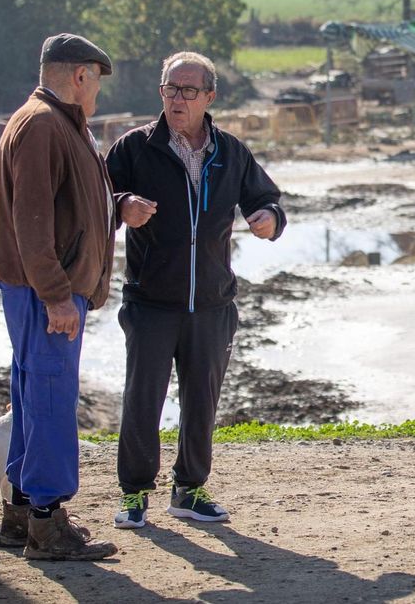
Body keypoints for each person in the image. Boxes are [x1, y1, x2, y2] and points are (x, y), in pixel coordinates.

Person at [0, 32, 155, 561]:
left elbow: (72, 206)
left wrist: (117, 210)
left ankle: (21, 515)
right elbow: (32, 224)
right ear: (80, 75)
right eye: (96, 82)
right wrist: (58, 297)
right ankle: (48, 523)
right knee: (52, 399)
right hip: (46, 293)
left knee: (34, 397)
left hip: (39, 289)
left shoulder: (57, 124)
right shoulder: (43, 127)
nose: (98, 93)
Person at [106, 51, 286, 529]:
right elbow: (99, 198)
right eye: (170, 89)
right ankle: (134, 493)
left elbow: (265, 198)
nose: (178, 99)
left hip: (211, 302)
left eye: (189, 91)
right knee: (142, 398)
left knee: (202, 401)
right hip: (150, 300)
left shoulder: (231, 152)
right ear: (160, 93)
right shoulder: (133, 147)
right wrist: (122, 205)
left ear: (209, 97)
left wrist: (269, 218)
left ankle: (189, 489)